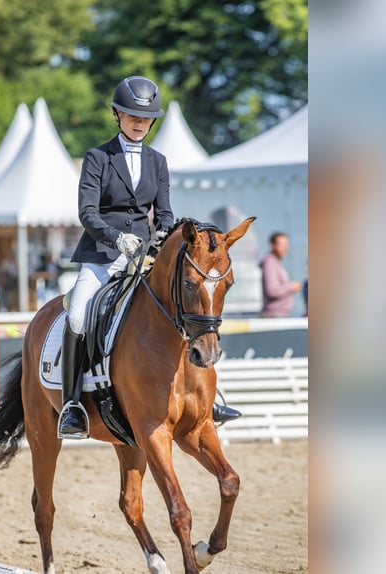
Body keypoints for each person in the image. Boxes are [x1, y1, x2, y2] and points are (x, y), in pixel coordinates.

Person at [57, 75, 239, 438]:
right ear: (117, 115)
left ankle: (208, 397)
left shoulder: (158, 161)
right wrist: (116, 237)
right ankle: (72, 404)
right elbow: (87, 212)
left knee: (187, 307)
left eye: (145, 118)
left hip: (144, 257)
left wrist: (161, 235)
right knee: (77, 315)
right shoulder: (98, 158)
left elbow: (166, 212)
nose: (139, 123)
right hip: (103, 255)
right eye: (131, 116)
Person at [260, 232, 302, 318]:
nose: (285, 248)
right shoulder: (270, 262)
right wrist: (291, 286)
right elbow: (272, 291)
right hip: (274, 316)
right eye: (281, 244)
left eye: (286, 245)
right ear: (272, 245)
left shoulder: (276, 262)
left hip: (280, 315)